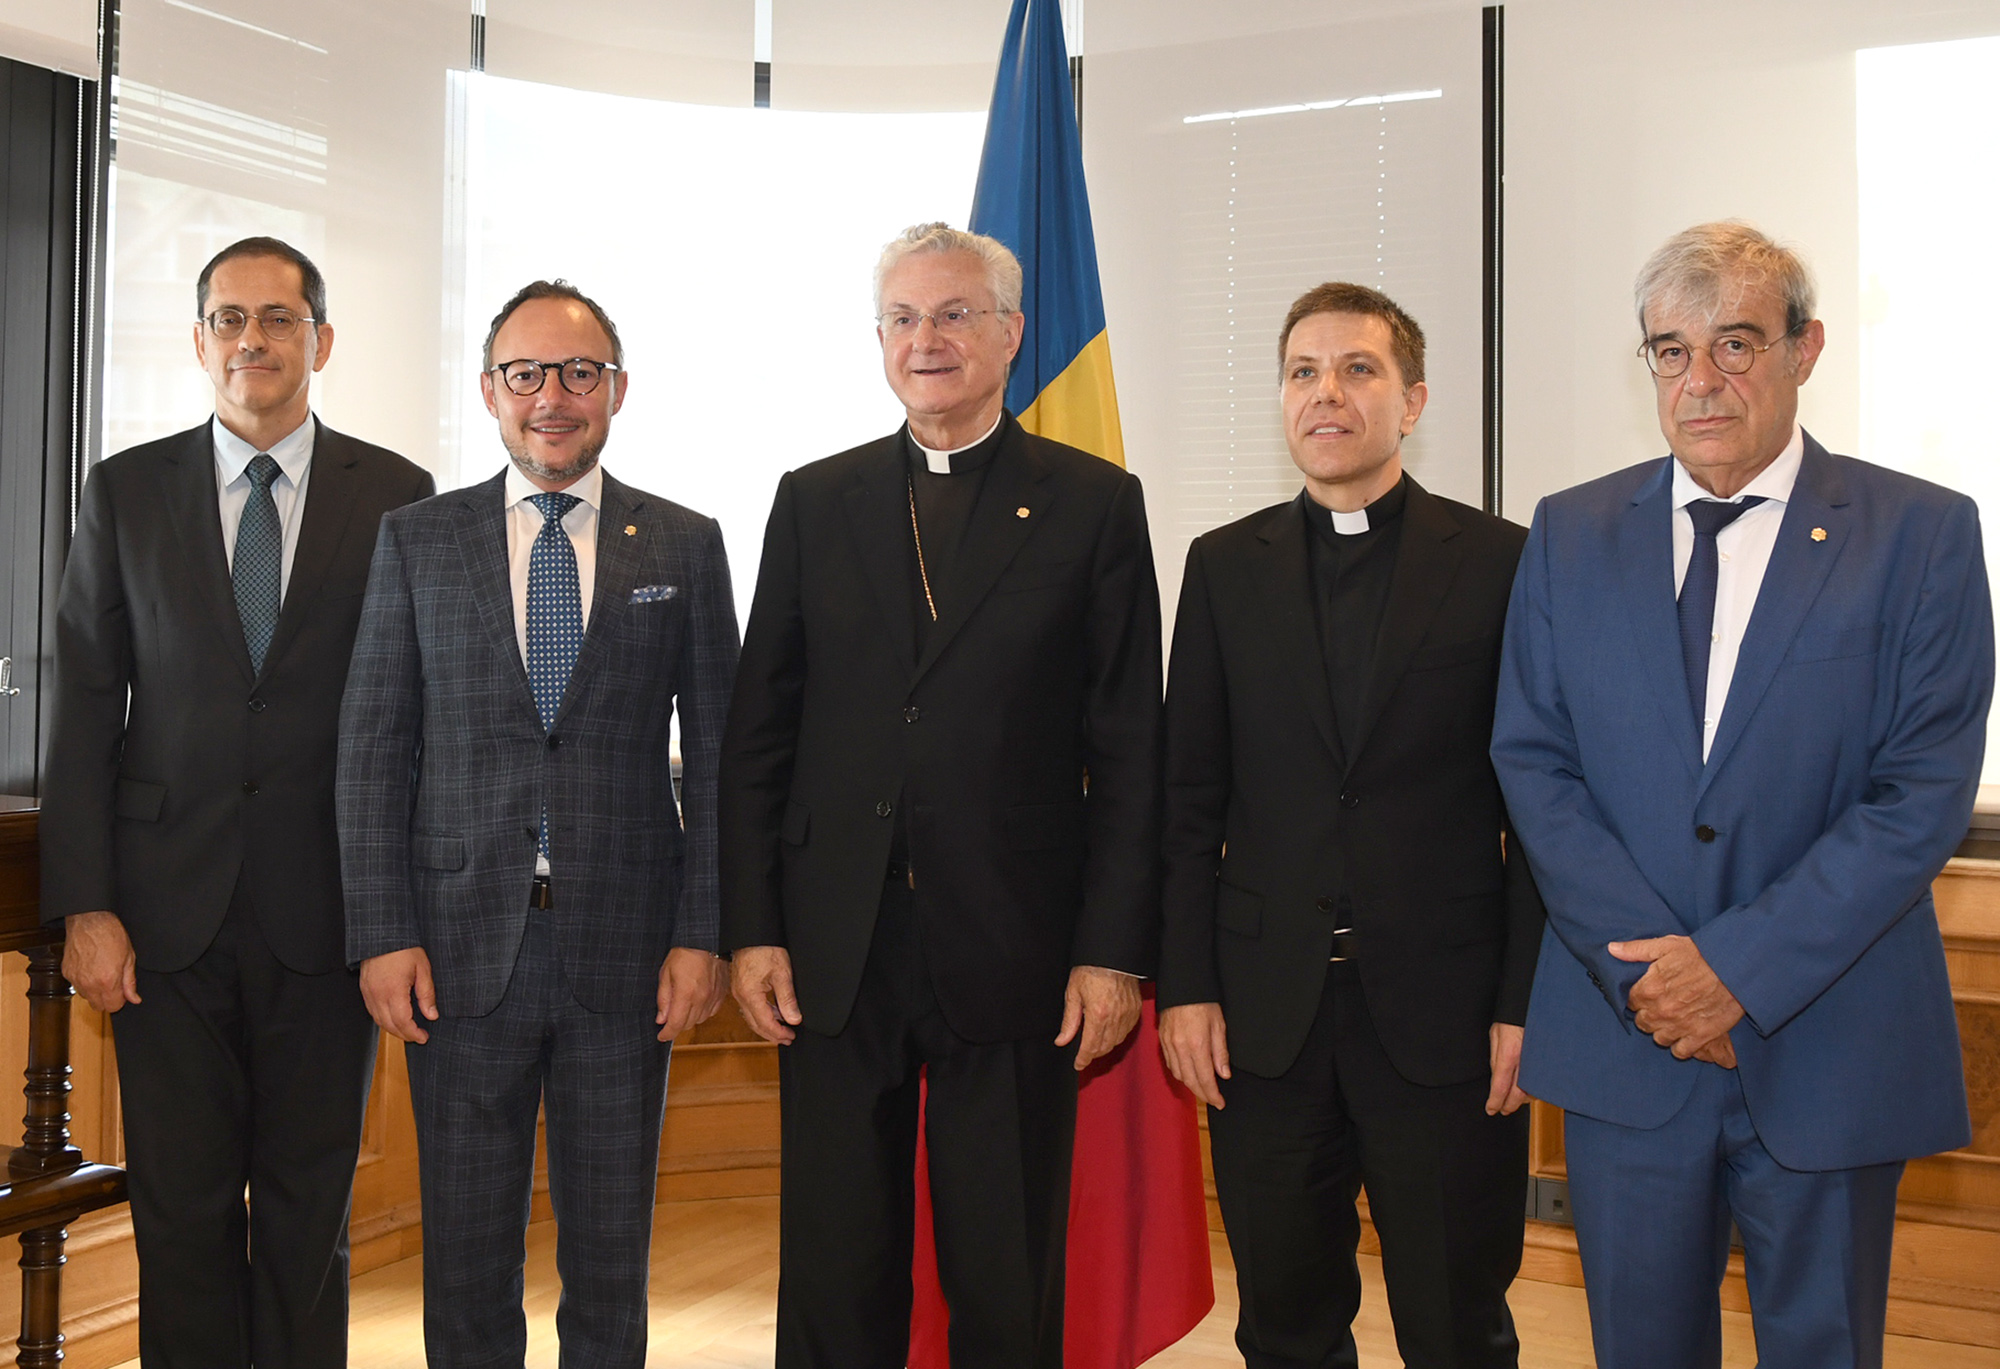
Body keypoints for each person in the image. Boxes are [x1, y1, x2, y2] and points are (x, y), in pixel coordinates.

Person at [1491, 221, 1991, 1368]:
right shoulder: (1569, 533)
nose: (1699, 381)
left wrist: (1733, 973)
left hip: (1827, 1039)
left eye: (1733, 345)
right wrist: (1655, 984)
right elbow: (1534, 760)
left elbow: (1916, 794)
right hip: (1631, 1047)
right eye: (1668, 351)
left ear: (1803, 349)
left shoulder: (1918, 535)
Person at [719, 222, 1162, 1369]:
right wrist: (752, 927)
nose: (929, 339)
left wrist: (1112, 951)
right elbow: (758, 731)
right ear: (877, 341)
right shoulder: (814, 500)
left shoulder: (1093, 504)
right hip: (836, 940)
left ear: (1011, 335)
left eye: (956, 314)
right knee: (832, 1256)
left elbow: (1126, 750)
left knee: (1003, 1258)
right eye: (904, 318)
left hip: (1013, 939)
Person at [38, 237, 434, 1367]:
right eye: (227, 318)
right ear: (200, 337)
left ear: (320, 339)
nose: (250, 340)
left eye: (275, 317)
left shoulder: (397, 494)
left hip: (332, 916)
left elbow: (415, 716)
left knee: (309, 1212)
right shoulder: (124, 489)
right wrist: (87, 904)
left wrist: (398, 912)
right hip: (163, 919)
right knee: (181, 1208)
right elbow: (84, 707)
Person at [336, 280, 738, 1367]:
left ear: (616, 388)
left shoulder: (685, 546)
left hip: (629, 953)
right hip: (455, 954)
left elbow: (720, 761)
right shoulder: (417, 540)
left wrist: (703, 935)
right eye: (525, 373)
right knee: (466, 1261)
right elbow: (372, 746)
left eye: (578, 373)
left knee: (610, 1264)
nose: (551, 397)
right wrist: (381, 931)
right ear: (488, 390)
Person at [1158, 281, 1542, 1368]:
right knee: (1282, 1321)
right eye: (1302, 371)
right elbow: (1187, 802)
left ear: (1410, 400)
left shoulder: (1502, 563)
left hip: (1444, 1024)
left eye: (1357, 369)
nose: (1327, 393)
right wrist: (1184, 984)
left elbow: (1536, 810)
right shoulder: (1222, 567)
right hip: (1264, 1022)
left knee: (1456, 1323)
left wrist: (1521, 1002)